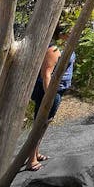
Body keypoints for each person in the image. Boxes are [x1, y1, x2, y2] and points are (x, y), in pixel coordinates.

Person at [25, 25, 74, 171]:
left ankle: (35, 153)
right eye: (70, 30)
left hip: (59, 89)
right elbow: (46, 74)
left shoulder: (64, 46)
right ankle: (31, 159)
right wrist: (49, 97)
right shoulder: (53, 50)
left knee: (44, 123)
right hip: (50, 91)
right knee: (40, 124)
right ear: (62, 32)